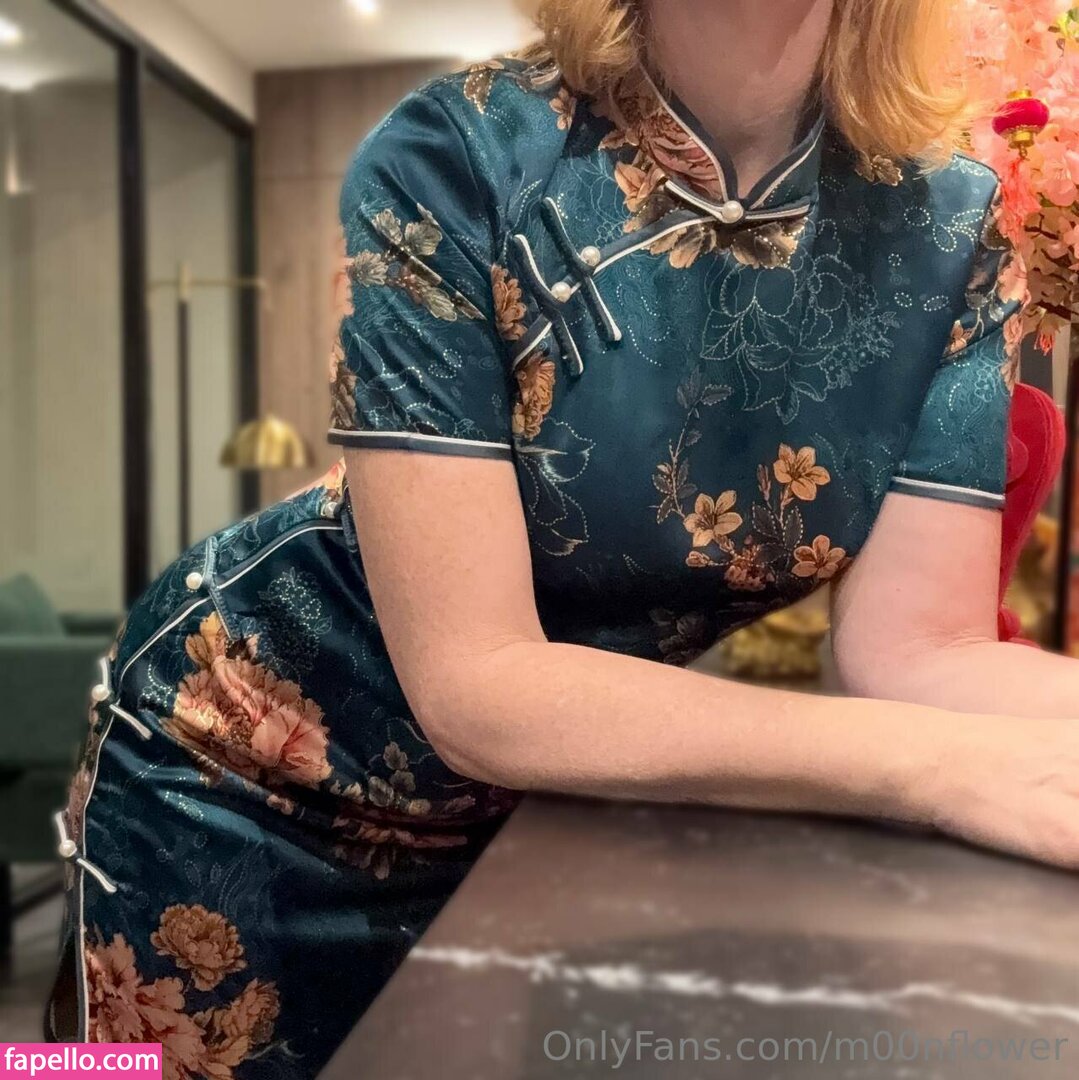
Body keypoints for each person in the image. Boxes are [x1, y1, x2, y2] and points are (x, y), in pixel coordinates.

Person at [48, 0, 1079, 1075]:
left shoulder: (950, 224)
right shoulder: (456, 152)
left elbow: (921, 652)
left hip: (541, 808)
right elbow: (479, 681)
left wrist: (980, 748)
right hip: (243, 768)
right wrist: (946, 766)